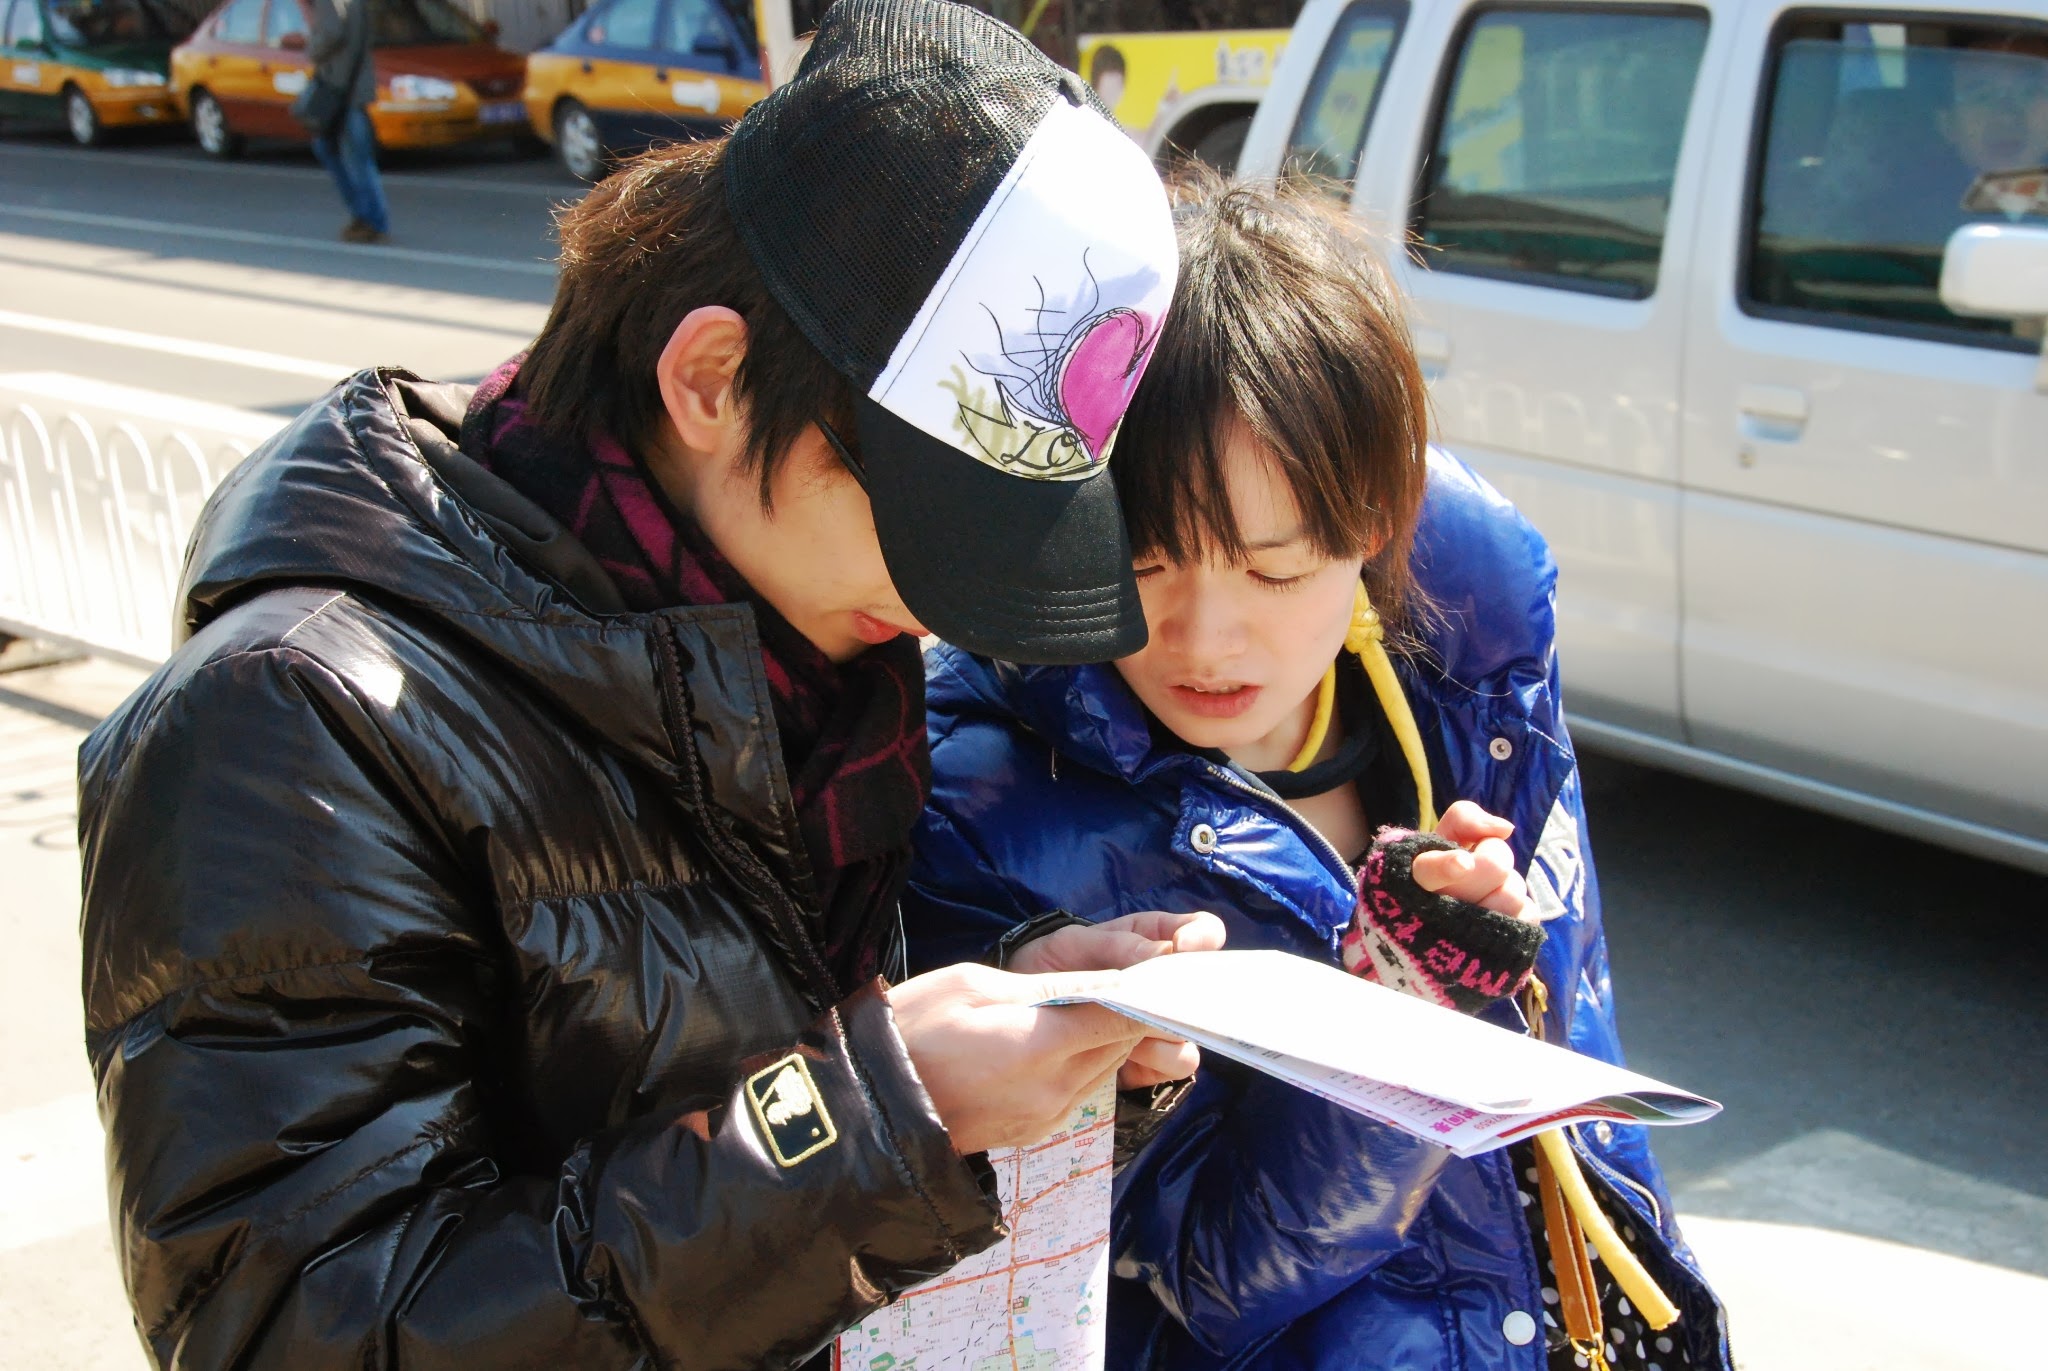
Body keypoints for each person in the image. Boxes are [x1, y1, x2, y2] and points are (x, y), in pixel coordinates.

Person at [77, 5, 1219, 1367]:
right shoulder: (293, 725)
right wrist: (866, 1117)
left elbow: (741, 1032)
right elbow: (295, 1329)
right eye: (918, 520)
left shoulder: (777, 642)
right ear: (712, 376)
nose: (931, 604)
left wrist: (1013, 1015)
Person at [904, 173, 1735, 1369]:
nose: (1205, 638)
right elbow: (1211, 1276)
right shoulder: (984, 805)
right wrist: (1409, 1013)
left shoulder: (1476, 665)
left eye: (1277, 570)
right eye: (1142, 568)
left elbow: (1575, 1038)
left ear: (1376, 524)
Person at [307, 0, 389, 243]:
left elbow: (331, 32)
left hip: (340, 89)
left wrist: (311, 49)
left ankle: (369, 219)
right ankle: (367, 216)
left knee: (345, 154)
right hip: (353, 87)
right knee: (348, 153)